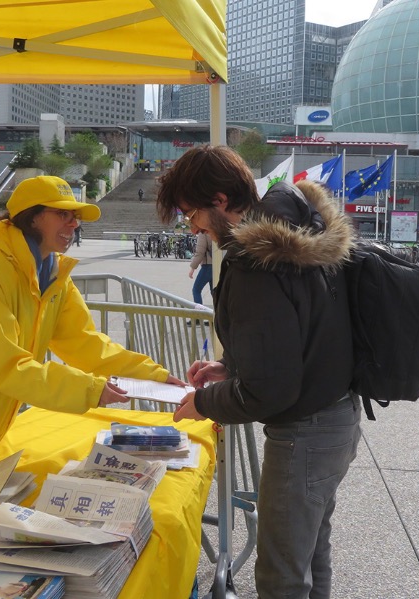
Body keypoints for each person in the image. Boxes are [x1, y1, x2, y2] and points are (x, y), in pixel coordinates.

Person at [155, 146, 361, 599]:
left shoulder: (256, 264)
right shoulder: (299, 232)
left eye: (193, 213)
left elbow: (272, 389)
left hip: (303, 435)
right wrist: (229, 365)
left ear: (221, 200)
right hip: (339, 419)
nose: (193, 227)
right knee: (309, 553)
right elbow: (299, 334)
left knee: (281, 574)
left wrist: (203, 402)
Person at [0, 176, 184, 476]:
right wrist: (90, 389)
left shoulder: (54, 275)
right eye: (63, 214)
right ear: (31, 218)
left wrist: (154, 375)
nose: (74, 224)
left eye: (76, 217)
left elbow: (86, 344)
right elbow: (8, 367)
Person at [188, 231, 213, 306]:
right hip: (218, 265)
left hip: (207, 265)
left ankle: (199, 315)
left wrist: (193, 268)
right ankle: (219, 315)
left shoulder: (203, 232)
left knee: (196, 290)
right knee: (215, 292)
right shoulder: (216, 228)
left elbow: (200, 252)